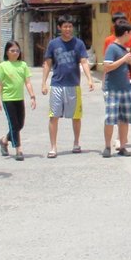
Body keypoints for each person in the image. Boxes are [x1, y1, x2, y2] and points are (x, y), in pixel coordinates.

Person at [41, 15, 95, 158]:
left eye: (70, 26)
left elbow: (83, 61)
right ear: (59, 28)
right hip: (57, 84)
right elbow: (47, 63)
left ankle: (76, 143)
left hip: (73, 85)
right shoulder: (53, 44)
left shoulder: (79, 44)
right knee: (54, 116)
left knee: (76, 117)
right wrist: (43, 83)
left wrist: (89, 79)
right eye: (65, 26)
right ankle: (53, 147)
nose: (68, 29)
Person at [101, 19, 131, 158]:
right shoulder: (112, 48)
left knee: (124, 119)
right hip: (113, 89)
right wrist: (124, 60)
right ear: (126, 33)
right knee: (110, 118)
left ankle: (122, 146)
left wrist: (130, 61)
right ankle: (107, 146)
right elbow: (107, 67)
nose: (130, 37)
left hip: (125, 88)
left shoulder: (124, 49)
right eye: (130, 33)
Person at [0, 40, 36, 161]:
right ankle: (18, 149)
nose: (15, 53)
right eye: (12, 50)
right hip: (8, 99)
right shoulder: (3, 66)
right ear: (7, 52)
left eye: (17, 50)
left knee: (20, 124)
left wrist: (32, 96)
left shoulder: (23, 65)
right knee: (13, 124)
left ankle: (4, 140)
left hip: (20, 98)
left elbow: (27, 82)